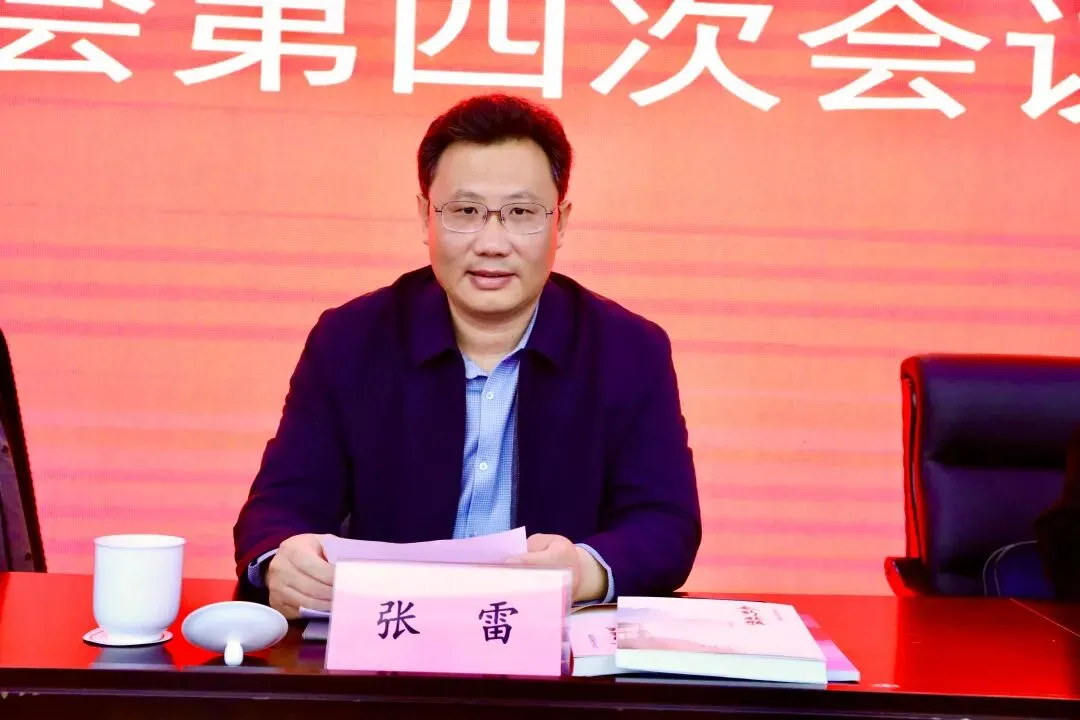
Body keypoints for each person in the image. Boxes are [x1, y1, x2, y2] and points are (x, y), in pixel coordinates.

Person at [233, 93, 701, 619]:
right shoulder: (348, 339)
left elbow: (666, 524)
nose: (492, 242)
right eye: (465, 212)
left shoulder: (629, 351)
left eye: (521, 213)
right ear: (425, 217)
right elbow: (279, 507)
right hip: (389, 639)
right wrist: (283, 562)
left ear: (561, 222)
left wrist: (581, 571)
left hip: (550, 648)